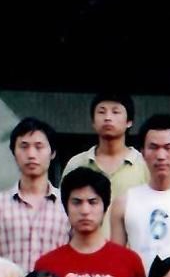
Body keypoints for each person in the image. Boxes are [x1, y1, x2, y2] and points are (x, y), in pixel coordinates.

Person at [111, 113, 170, 274]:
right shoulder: (124, 202)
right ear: (142, 153)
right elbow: (116, 261)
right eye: (153, 147)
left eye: (168, 147)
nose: (161, 156)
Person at [61, 91, 150, 238]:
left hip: (130, 250)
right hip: (84, 248)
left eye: (115, 112)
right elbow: (63, 213)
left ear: (129, 121)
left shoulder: (144, 165)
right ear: (93, 121)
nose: (108, 117)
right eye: (101, 112)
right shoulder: (76, 163)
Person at [0, 117, 70, 270]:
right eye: (24, 146)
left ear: (52, 153)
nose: (31, 154)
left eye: (39, 147)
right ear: (14, 152)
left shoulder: (68, 204)